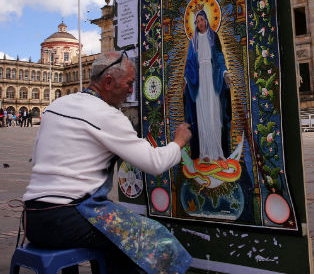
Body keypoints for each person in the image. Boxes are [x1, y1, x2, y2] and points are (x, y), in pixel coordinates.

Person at [23, 51, 193, 273]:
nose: (131, 90)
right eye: (129, 83)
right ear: (108, 82)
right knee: (153, 239)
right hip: (67, 219)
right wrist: (178, 142)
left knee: (115, 236)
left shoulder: (57, 105)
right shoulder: (107, 116)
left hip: (32, 219)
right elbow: (154, 163)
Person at [183, 9, 232, 162]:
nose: (200, 23)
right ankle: (204, 152)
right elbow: (190, 63)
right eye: (197, 21)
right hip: (199, 82)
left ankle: (218, 150)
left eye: (202, 20)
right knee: (202, 115)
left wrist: (224, 73)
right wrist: (186, 79)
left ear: (207, 21)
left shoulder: (213, 37)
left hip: (213, 77)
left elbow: (219, 56)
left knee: (215, 115)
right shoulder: (193, 41)